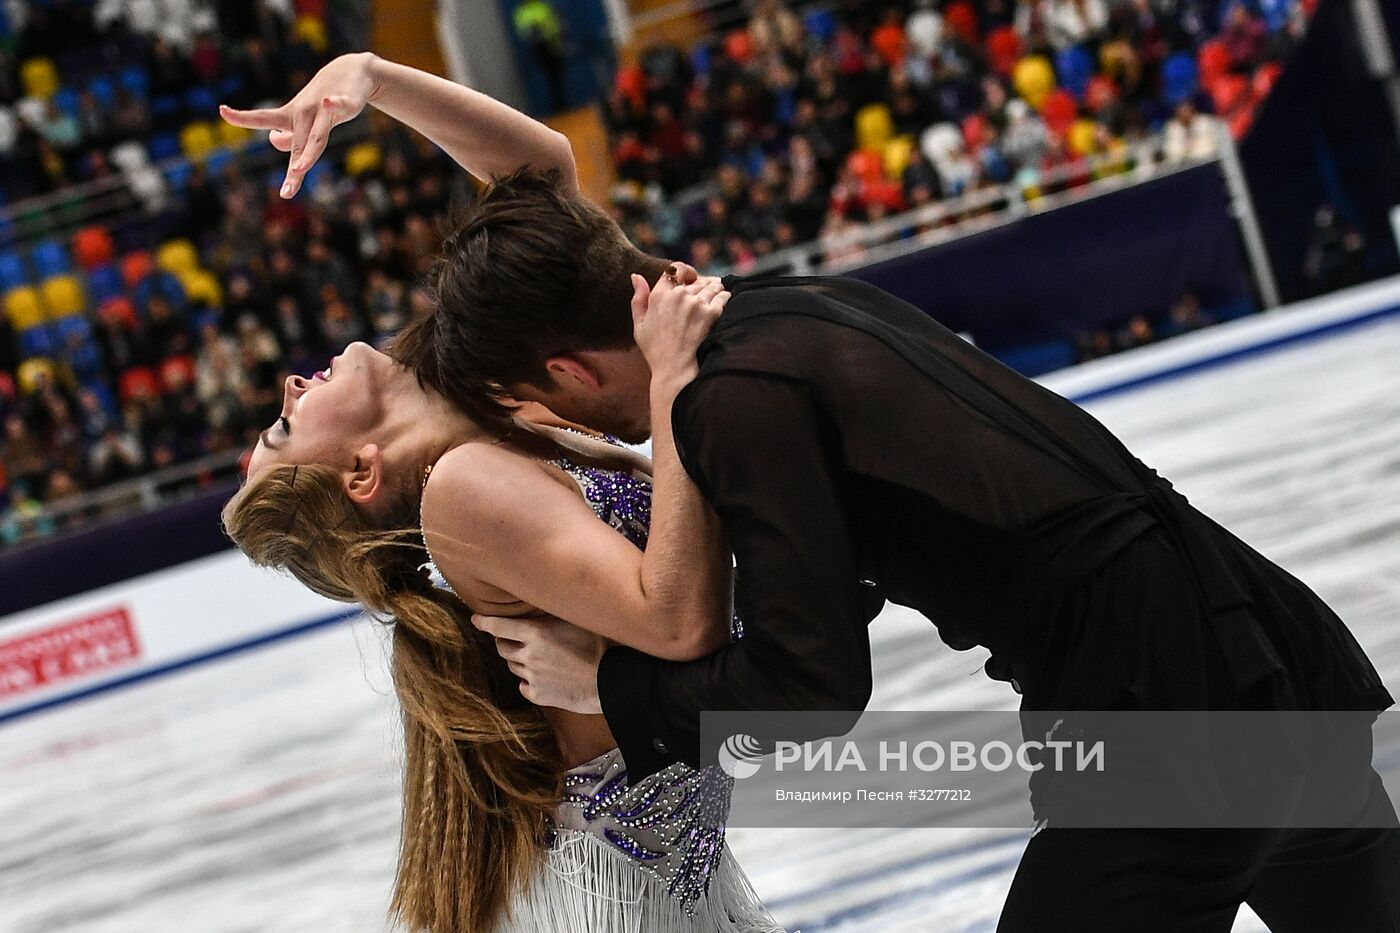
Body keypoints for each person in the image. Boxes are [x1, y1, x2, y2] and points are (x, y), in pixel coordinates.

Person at [397, 169, 1400, 932]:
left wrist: (613, 689)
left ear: (566, 367)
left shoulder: (727, 398)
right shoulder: (785, 310)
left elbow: (812, 687)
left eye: (538, 404)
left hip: (1167, 716)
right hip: (1271, 656)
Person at [220, 54, 784, 933]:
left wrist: (372, 78)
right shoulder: (463, 489)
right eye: (287, 425)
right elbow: (679, 620)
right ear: (362, 472)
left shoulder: (486, 400)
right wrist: (672, 384)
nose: (291, 383)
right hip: (622, 906)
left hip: (669, 885)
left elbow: (541, 184)